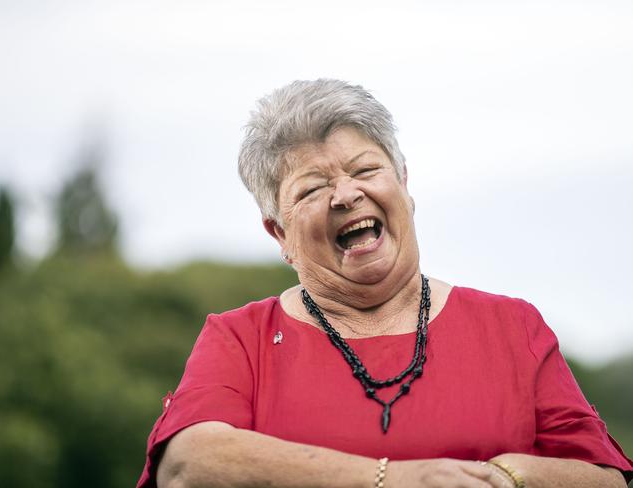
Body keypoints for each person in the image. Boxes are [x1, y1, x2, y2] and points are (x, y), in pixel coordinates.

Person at [137, 79, 632, 488]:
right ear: (279, 232)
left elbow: (605, 478)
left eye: (365, 170)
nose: (346, 195)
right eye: (312, 188)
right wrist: (394, 479)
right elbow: (186, 465)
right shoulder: (240, 337)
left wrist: (503, 476)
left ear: (404, 185)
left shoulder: (511, 327)